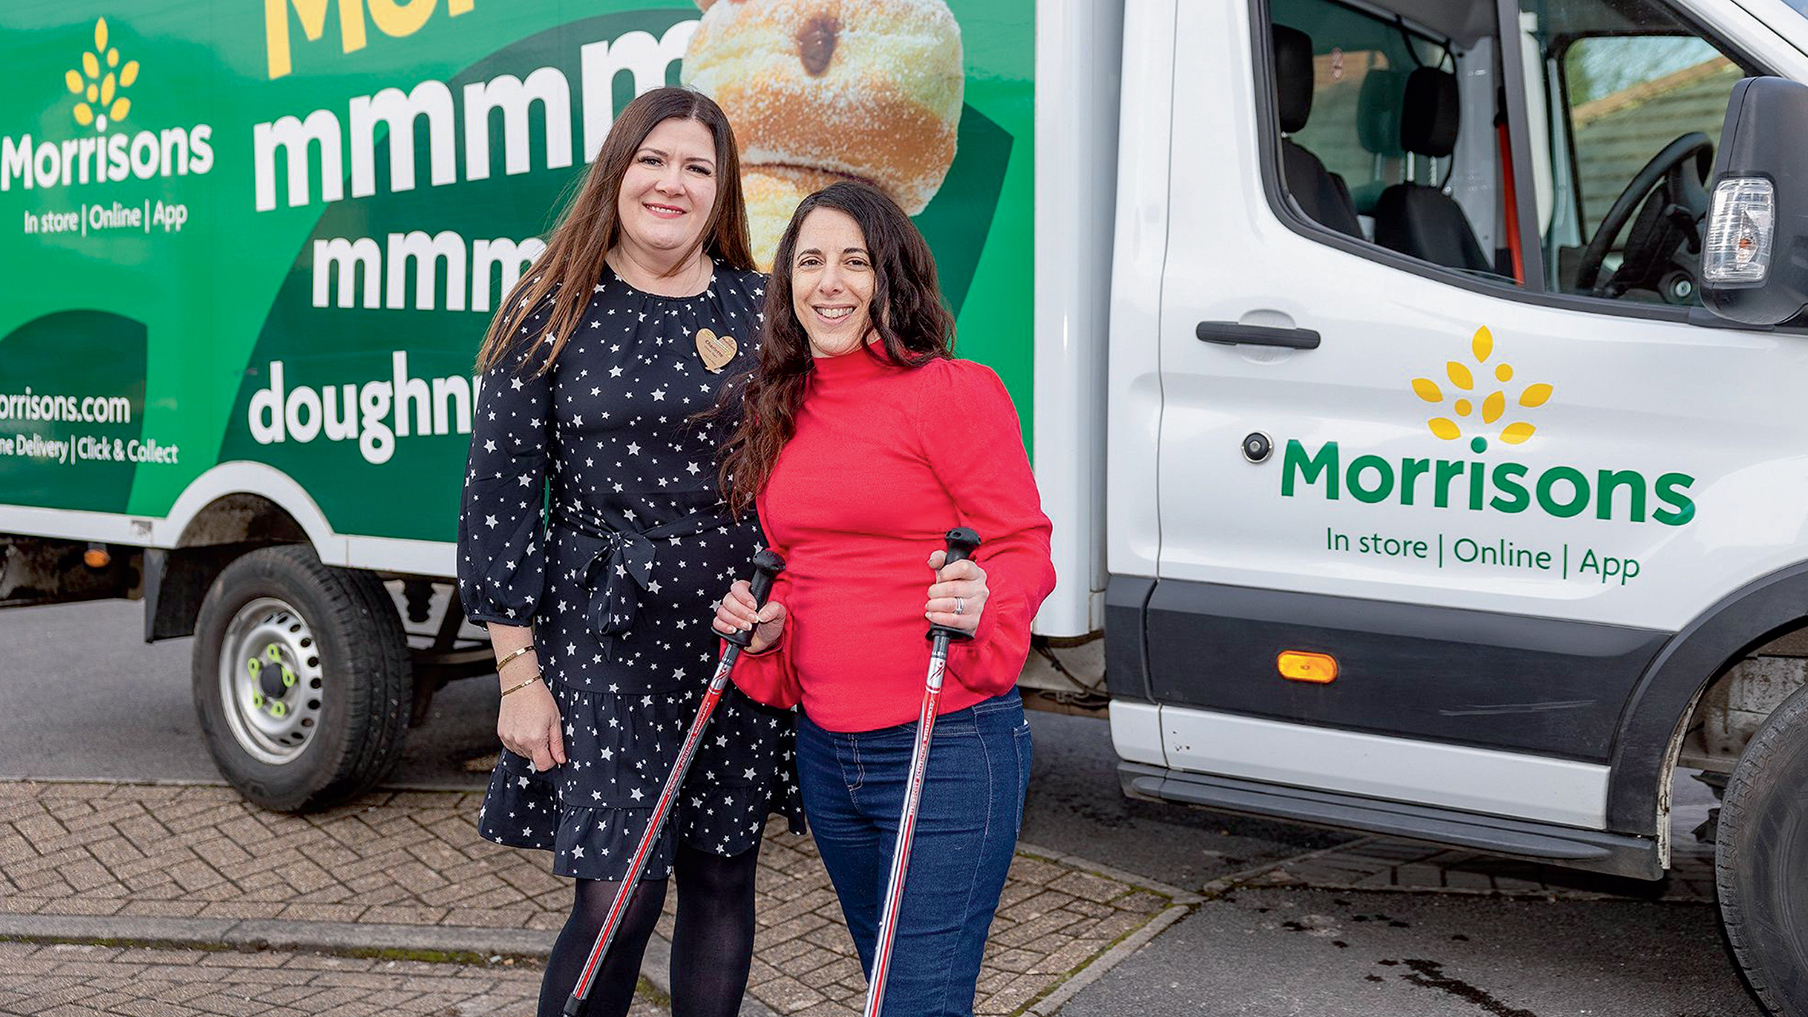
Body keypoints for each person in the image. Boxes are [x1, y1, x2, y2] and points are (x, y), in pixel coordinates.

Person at [455, 86, 802, 1017]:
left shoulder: (762, 305)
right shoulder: (552, 305)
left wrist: (785, 600)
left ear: (722, 188)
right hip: (607, 639)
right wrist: (517, 675)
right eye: (653, 159)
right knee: (624, 890)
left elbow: (801, 471)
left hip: (735, 634)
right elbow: (497, 503)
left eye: (697, 166)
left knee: (724, 877)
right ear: (617, 171)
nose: (672, 183)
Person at [710, 181, 1055, 1015]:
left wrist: (984, 599)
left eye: (854, 261)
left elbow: (1020, 544)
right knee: (887, 985)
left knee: (916, 1001)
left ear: (889, 276)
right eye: (810, 261)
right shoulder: (779, 407)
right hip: (830, 758)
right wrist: (764, 630)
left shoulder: (952, 392)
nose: (829, 282)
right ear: (786, 283)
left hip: (946, 745)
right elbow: (797, 570)